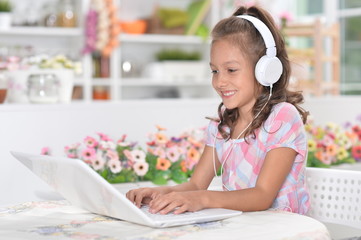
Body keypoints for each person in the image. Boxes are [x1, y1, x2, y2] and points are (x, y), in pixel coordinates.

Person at [126, 5, 310, 215]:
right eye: (214, 70)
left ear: (265, 70)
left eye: (231, 70)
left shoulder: (282, 118)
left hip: (285, 229)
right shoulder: (222, 125)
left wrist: (202, 199)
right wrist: (160, 193)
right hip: (245, 227)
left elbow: (262, 195)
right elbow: (195, 186)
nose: (220, 81)